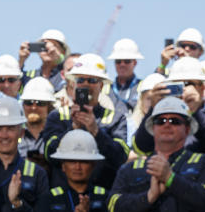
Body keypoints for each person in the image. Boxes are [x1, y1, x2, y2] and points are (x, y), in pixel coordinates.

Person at [41, 54, 129, 187]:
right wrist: (72, 129)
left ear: (101, 85)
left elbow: (120, 158)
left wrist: (96, 132)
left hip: (102, 195)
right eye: (81, 80)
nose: (86, 84)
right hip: (64, 197)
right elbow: (49, 154)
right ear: (73, 83)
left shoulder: (116, 118)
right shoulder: (58, 116)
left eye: (92, 80)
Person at [132, 57, 205, 169]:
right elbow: (141, 148)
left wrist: (194, 112)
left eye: (188, 83)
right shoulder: (163, 119)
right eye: (178, 84)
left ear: (201, 88)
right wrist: (153, 108)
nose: (183, 89)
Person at [19, 77, 57, 158]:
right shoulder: (13, 135)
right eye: (29, 102)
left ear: (49, 107)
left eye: (40, 103)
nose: (33, 107)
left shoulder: (56, 136)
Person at [106, 38, 144, 112]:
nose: (122, 64)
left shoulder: (143, 87)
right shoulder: (104, 88)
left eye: (127, 61)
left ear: (135, 63)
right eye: (118, 61)